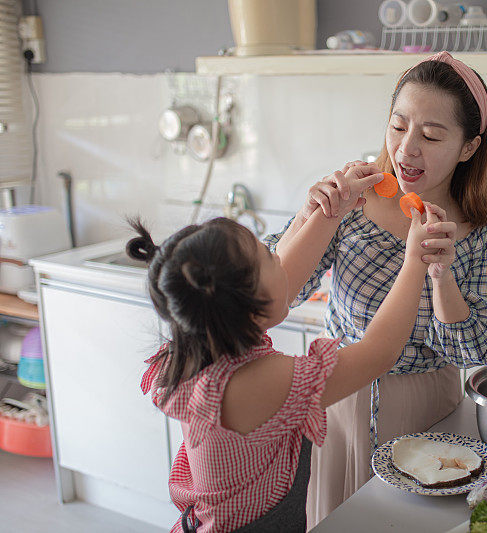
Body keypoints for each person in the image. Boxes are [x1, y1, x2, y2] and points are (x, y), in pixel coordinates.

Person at [264, 51, 487, 527]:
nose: (407, 149)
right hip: (336, 399)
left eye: (432, 135)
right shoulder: (354, 200)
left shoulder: (486, 232)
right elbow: (277, 293)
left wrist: (442, 275)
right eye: (398, 127)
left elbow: (477, 348)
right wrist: (310, 218)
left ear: (468, 148)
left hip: (429, 412)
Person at [129, 168, 438, 532]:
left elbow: (283, 282)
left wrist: (331, 212)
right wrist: (416, 258)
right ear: (248, 302)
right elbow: (378, 352)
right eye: (268, 257)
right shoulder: (261, 382)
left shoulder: (201, 342)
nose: (279, 256)